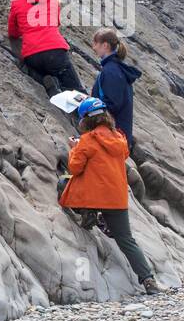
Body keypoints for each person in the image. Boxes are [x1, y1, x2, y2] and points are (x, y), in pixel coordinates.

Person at [59, 97, 159, 294]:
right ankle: (148, 280)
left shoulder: (87, 140)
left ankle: (89, 213)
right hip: (116, 198)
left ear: (85, 120)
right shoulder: (119, 139)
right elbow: (112, 155)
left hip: (93, 196)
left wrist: (74, 149)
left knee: (64, 183)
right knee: (126, 239)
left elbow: (75, 168)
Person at [7, 0, 84, 94]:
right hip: (55, 50)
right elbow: (56, 22)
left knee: (33, 69)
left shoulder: (16, 3)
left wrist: (27, 28)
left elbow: (13, 32)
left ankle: (46, 81)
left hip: (32, 55)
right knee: (76, 89)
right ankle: (80, 106)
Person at [90, 27, 141, 149]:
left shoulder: (111, 71)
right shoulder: (115, 69)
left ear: (105, 45)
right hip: (116, 136)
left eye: (96, 43)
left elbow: (112, 105)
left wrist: (88, 106)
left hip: (112, 136)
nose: (93, 47)